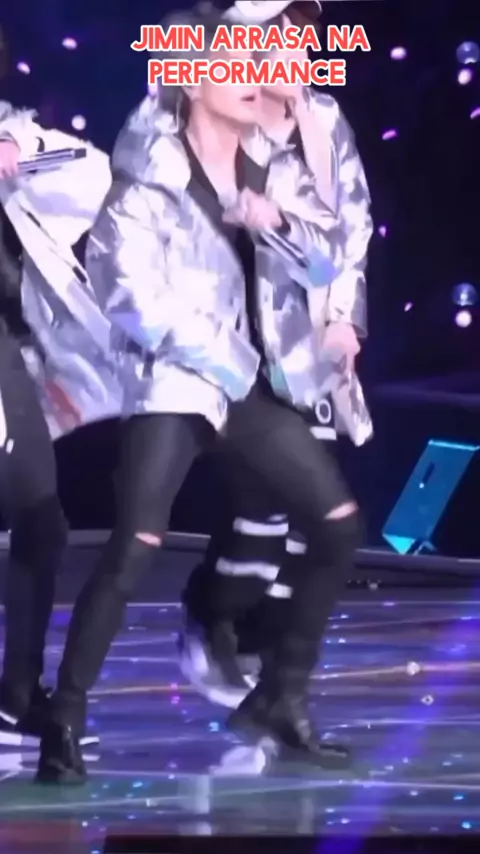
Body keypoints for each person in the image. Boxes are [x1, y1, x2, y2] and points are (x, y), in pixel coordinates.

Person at [35, 6, 359, 784]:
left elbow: (327, 263)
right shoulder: (146, 177)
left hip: (244, 383)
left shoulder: (269, 167)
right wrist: (224, 359)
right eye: (232, 65)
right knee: (134, 548)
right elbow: (128, 294)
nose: (252, 78)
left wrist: (279, 224)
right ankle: (63, 721)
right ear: (189, 80)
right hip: (176, 382)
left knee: (339, 526)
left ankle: (279, 698)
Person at [180, 0, 373, 708]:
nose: (298, 46)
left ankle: (267, 666)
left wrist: (346, 320)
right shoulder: (213, 112)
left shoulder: (324, 121)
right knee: (262, 514)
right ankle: (212, 617)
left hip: (306, 344)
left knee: (309, 525)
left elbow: (352, 229)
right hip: (234, 346)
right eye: (281, 34)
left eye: (304, 34)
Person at [0, 37, 111, 749]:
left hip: (9, 351)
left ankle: (16, 694)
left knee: (42, 522)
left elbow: (91, 170)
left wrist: (18, 151)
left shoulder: (13, 134)